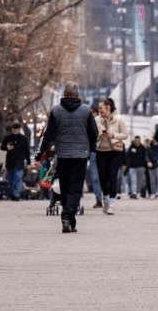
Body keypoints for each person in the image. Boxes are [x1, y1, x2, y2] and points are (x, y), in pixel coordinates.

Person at [34, 82, 99, 233]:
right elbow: (94, 133)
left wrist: (39, 153)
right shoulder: (86, 110)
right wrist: (90, 148)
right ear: (77, 94)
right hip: (80, 155)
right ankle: (68, 217)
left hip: (62, 154)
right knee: (75, 188)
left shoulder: (56, 111)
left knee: (64, 187)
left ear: (64, 94)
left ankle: (68, 217)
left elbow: (47, 134)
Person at [95, 98, 128, 214]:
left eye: (101, 108)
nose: (99, 110)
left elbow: (125, 135)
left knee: (112, 176)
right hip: (101, 151)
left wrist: (113, 135)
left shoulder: (118, 119)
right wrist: (99, 136)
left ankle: (111, 204)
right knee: (103, 178)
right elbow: (91, 135)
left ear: (108, 107)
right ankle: (106, 197)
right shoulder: (96, 120)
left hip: (115, 151)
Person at [0, 124, 31, 201]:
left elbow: (27, 151)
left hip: (19, 161)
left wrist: (29, 162)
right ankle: (12, 194)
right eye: (14, 131)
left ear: (19, 130)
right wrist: (7, 147)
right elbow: (2, 147)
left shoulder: (23, 139)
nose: (15, 132)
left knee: (18, 178)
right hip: (10, 161)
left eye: (16, 131)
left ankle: (16, 195)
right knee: (10, 179)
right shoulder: (8, 138)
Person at [88, 103, 104, 209]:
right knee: (95, 178)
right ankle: (99, 199)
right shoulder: (88, 124)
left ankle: (106, 198)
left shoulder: (103, 123)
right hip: (93, 152)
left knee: (103, 177)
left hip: (103, 152)